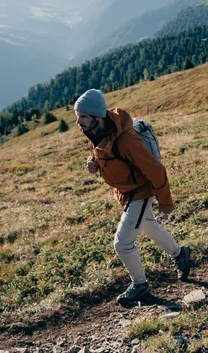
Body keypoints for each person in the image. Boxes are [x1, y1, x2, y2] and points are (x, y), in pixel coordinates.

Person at [74, 89, 191, 306]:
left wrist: (166, 201)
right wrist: (93, 163)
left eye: (82, 116)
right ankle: (180, 254)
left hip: (140, 192)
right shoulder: (96, 132)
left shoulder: (126, 139)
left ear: (96, 117)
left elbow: (156, 170)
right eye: (77, 116)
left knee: (122, 244)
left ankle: (140, 285)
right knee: (149, 226)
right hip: (126, 192)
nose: (78, 121)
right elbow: (103, 153)